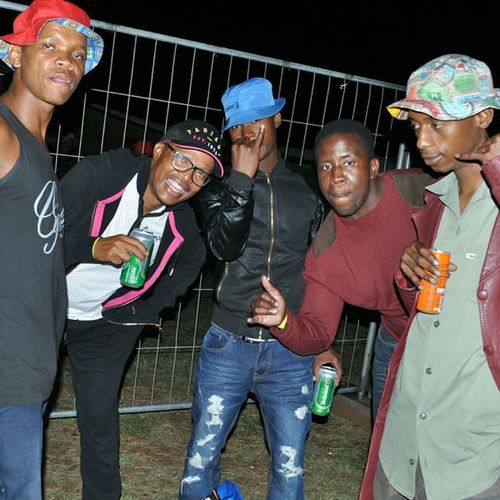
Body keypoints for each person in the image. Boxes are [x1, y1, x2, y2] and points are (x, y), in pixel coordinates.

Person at [179, 77, 333, 500]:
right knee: (201, 460)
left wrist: (320, 341)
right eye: (237, 127)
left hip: (290, 350)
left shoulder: (308, 188)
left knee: (289, 466)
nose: (247, 134)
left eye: (256, 121)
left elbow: (321, 270)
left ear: (277, 118)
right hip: (229, 342)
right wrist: (241, 181)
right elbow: (224, 247)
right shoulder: (217, 186)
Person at [359, 54, 500, 499]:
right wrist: (409, 275)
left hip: (473, 451)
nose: (421, 139)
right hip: (405, 435)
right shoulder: (435, 201)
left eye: (436, 125)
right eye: (417, 126)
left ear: (483, 117)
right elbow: (421, 318)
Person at [60, 119, 224, 500]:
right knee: (22, 401)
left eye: (200, 174)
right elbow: (42, 237)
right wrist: (95, 247)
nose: (187, 178)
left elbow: (190, 267)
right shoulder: (101, 174)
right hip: (47, 303)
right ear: (160, 150)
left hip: (106, 325)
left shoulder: (184, 228)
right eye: (182, 160)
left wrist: (140, 311)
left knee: (99, 419)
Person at [248, 119, 435, 422]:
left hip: (464, 338)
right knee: (387, 439)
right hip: (397, 343)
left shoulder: (421, 191)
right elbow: (318, 333)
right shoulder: (326, 249)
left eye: (348, 162)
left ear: (372, 167)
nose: (336, 177)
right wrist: (282, 320)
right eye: (326, 166)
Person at [0, 1, 103, 498]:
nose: (68, 59)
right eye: (50, 45)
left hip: (30, 366)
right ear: (14, 55)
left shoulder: (35, 146)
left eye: (78, 54)